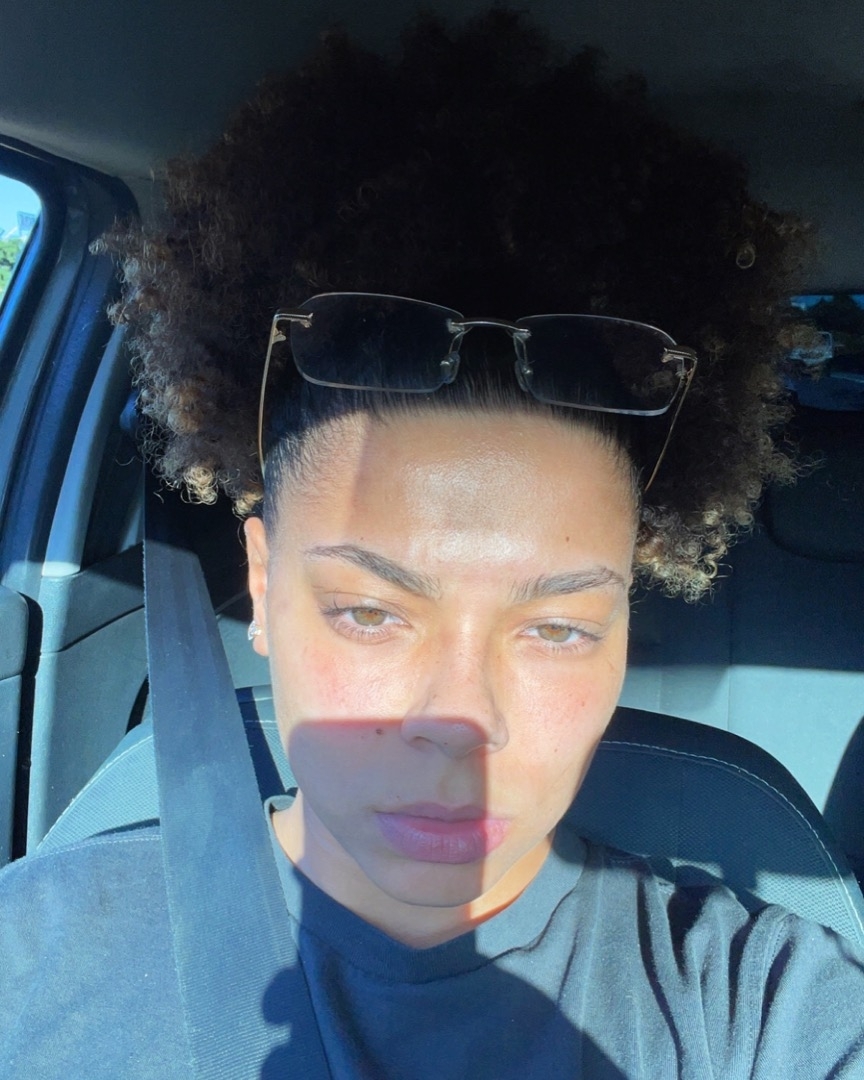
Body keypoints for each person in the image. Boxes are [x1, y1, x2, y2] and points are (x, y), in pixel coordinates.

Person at [2, 10, 863, 1078]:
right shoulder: (29, 958)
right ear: (262, 586)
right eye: (371, 612)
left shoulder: (754, 1004)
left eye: (556, 627)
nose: (463, 728)